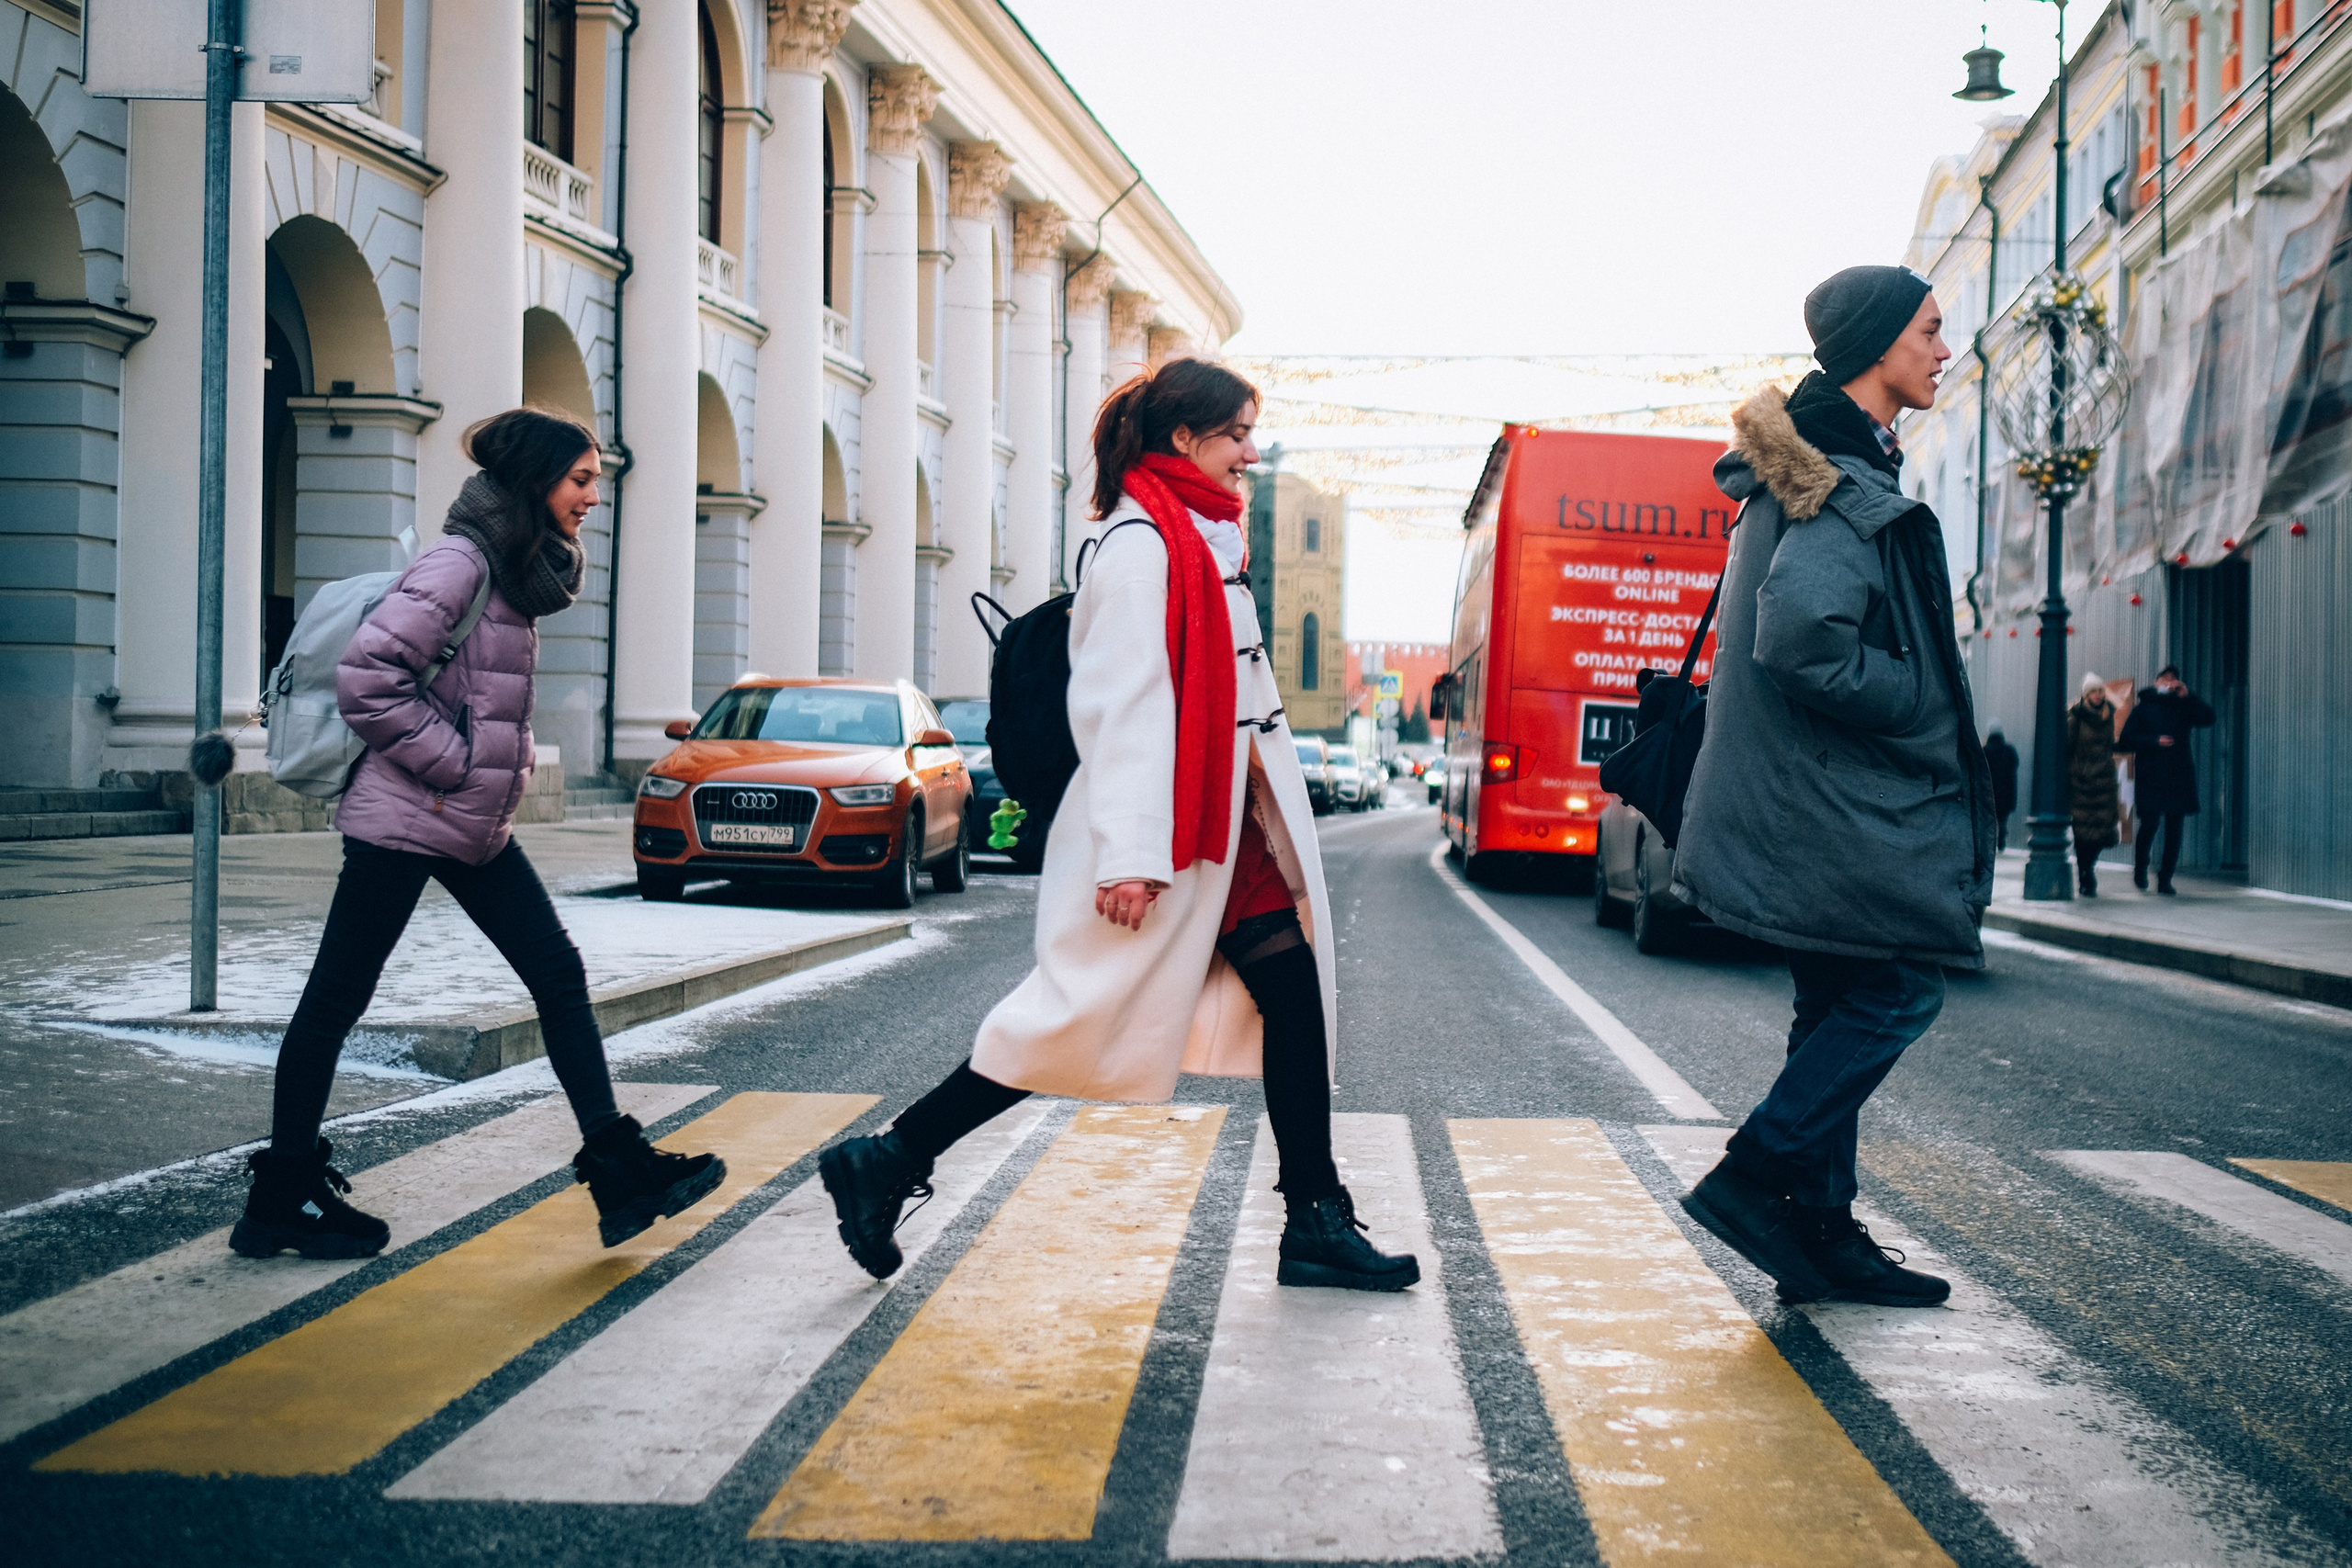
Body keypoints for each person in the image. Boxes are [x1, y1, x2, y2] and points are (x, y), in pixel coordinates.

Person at [816, 358, 1416, 1292]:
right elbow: (1124, 707)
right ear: (1186, 439)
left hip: (1214, 829)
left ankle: (1314, 1217)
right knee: (1069, 1020)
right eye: (1236, 436)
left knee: (1291, 999)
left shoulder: (1199, 536)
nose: (1249, 456)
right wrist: (1134, 856)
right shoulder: (1144, 545)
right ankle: (890, 1157)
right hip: (1161, 835)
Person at [231, 409, 726, 1261]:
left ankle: (618, 1169)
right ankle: (280, 1197)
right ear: (537, 481)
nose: (593, 498)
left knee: (557, 974)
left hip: (471, 826)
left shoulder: (514, 570)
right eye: (580, 480)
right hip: (409, 819)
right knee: (334, 1004)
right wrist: (455, 762)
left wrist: (473, 780)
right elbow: (367, 679)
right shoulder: (460, 563)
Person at [1671, 265, 1995, 1309]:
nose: (1944, 351)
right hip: (1823, 795)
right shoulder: (1832, 481)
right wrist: (1922, 702)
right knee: (1900, 987)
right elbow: (1804, 641)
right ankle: (1759, 1177)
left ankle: (1820, 1231)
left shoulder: (1827, 460)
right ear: (1876, 346)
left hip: (1803, 788)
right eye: (1930, 332)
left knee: (1835, 997)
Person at [2118, 664, 2215, 895]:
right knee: (2149, 825)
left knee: (2175, 829)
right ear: (2156, 682)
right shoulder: (2143, 708)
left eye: (2173, 680)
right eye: (2165, 679)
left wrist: (2189, 696)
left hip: (2178, 775)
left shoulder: (2184, 706)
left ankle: (2165, 879)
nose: (2169, 683)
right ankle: (2141, 867)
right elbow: (2125, 739)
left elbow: (2209, 718)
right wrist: (2153, 741)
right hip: (2151, 775)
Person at [2065, 674, 2121, 896]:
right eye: (2093, 692)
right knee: (2083, 833)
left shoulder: (2109, 715)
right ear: (2086, 694)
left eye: (2100, 691)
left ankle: (2089, 867)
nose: (2098, 695)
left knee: (2103, 832)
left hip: (2105, 782)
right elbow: (2066, 748)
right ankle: (2085, 873)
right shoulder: (2074, 716)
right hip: (2082, 783)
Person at [1982, 724, 2019, 851]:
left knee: (1990, 819)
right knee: (2002, 819)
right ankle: (2001, 841)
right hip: (2006, 793)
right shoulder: (2009, 750)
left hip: (1989, 791)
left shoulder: (1985, 751)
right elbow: (2014, 766)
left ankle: (1990, 843)